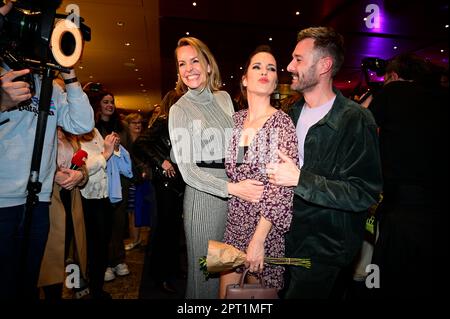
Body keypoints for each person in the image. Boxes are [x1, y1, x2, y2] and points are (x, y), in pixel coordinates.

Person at [266, 26, 383, 299]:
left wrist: (300, 179)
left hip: (323, 248)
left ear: (324, 65)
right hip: (284, 238)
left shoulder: (355, 120)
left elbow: (363, 193)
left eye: (298, 59)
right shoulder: (289, 113)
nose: (289, 66)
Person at [168, 37, 265, 299]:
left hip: (234, 198)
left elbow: (236, 147)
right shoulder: (180, 109)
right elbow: (188, 172)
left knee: (227, 271)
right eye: (182, 64)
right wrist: (234, 188)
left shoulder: (223, 98)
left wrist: (255, 152)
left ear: (209, 65)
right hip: (203, 201)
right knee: (203, 276)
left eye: (195, 60)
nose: (189, 68)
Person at [1, 51, 94, 299]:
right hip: (3, 200)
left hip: (38, 201)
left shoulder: (50, 86)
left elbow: (82, 124)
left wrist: (70, 75)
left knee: (27, 283)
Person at [219, 45, 299, 298]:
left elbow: (281, 189)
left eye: (271, 68)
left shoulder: (282, 123)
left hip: (264, 228)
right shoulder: (234, 121)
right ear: (244, 79)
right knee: (226, 298)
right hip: (234, 224)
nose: (264, 71)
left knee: (257, 299)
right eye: (257, 66)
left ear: (275, 81)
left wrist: (259, 240)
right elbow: (228, 171)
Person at [368, 53, 448, 298]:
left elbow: (360, 125)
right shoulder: (441, 97)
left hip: (401, 206)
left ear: (392, 76)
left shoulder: (392, 93)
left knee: (391, 276)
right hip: (438, 203)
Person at [134, 89, 185, 294]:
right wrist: (160, 161)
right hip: (164, 184)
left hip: (174, 185)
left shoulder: (178, 124)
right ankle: (160, 277)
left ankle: (169, 273)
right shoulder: (164, 121)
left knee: (171, 232)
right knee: (163, 233)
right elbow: (140, 143)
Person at [38, 127, 89, 300]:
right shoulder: (40, 127)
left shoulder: (71, 135)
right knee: (49, 257)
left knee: (66, 251)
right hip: (47, 201)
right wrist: (53, 175)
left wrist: (79, 175)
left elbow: (83, 168)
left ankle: (64, 291)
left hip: (71, 200)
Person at [90, 91, 131, 281]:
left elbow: (130, 152)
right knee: (102, 224)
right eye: (106, 102)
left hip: (119, 181)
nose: (110, 105)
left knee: (118, 222)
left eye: (112, 102)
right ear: (98, 105)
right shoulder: (91, 127)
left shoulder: (121, 127)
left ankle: (118, 260)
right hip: (99, 180)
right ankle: (104, 263)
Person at [78, 128, 120, 299]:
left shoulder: (95, 131)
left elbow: (109, 159)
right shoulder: (71, 134)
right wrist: (105, 154)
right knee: (87, 247)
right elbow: (81, 170)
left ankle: (97, 288)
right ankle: (81, 285)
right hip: (86, 197)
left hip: (104, 196)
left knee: (102, 245)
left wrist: (114, 148)